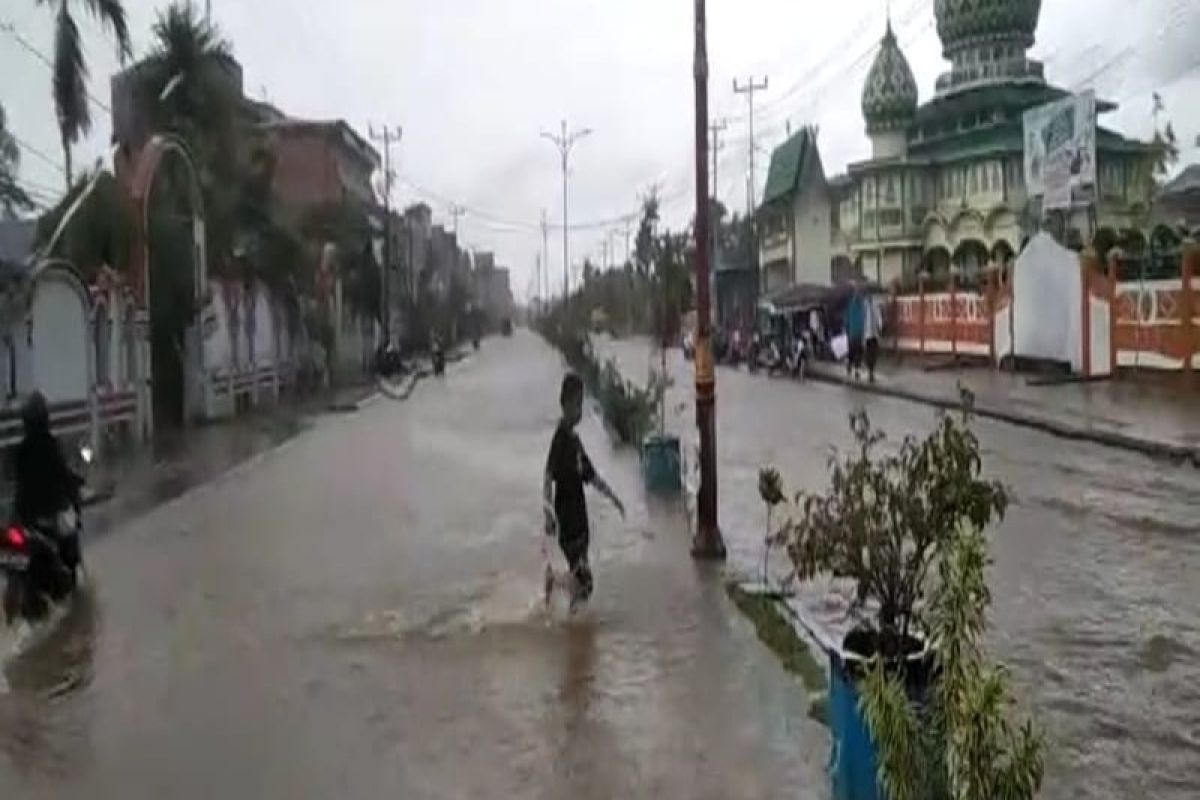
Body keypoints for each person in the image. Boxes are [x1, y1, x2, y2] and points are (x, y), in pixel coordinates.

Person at [543, 373, 625, 609]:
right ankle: (556, 585)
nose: (579, 410)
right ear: (565, 404)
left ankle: (576, 632)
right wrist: (547, 510)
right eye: (577, 404)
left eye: (581, 403)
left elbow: (591, 475)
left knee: (582, 585)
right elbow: (548, 476)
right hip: (567, 520)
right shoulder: (560, 439)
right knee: (584, 582)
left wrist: (613, 497)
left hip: (580, 519)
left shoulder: (575, 441)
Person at [14, 392, 82, 529]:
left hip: (27, 513)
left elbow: (17, 477)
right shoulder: (50, 445)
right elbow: (63, 473)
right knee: (69, 532)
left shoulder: (23, 448)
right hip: (50, 510)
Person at [845, 287, 866, 379]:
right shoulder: (856, 305)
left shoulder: (855, 305)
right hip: (855, 333)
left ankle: (854, 368)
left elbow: (848, 319)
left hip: (856, 333)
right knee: (855, 352)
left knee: (856, 352)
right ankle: (852, 366)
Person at [863, 294, 882, 383]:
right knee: (868, 354)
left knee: (874, 353)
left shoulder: (875, 306)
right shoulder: (864, 306)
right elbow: (863, 319)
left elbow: (879, 318)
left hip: (874, 334)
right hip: (867, 335)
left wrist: (880, 327)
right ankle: (870, 371)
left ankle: (872, 370)